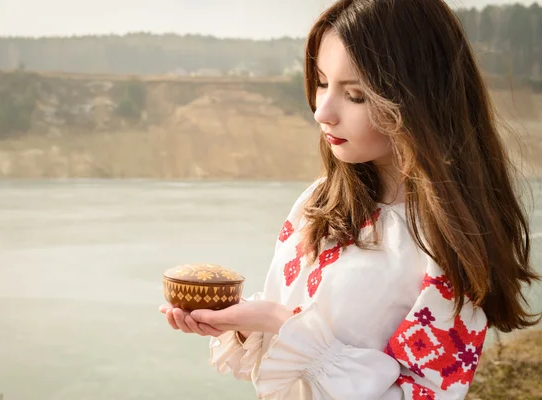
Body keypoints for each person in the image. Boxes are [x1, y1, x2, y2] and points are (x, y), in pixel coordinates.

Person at [159, 0, 541, 398]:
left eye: (355, 94)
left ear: (420, 98)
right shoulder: (318, 203)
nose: (322, 112)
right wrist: (241, 322)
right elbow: (283, 353)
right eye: (322, 82)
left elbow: (423, 393)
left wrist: (284, 325)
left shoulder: (447, 244)